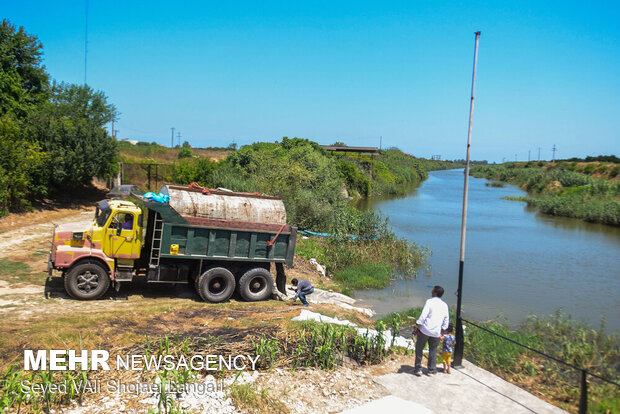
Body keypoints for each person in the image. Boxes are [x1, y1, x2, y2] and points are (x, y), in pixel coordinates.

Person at [413, 285, 449, 376]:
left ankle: (418, 369)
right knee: (433, 350)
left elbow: (423, 315)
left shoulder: (429, 302)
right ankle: (431, 370)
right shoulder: (445, 305)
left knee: (419, 349)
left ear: (435, 293)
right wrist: (442, 331)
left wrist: (417, 325)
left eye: (432, 291)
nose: (431, 292)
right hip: (436, 332)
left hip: (425, 329)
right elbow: (446, 320)